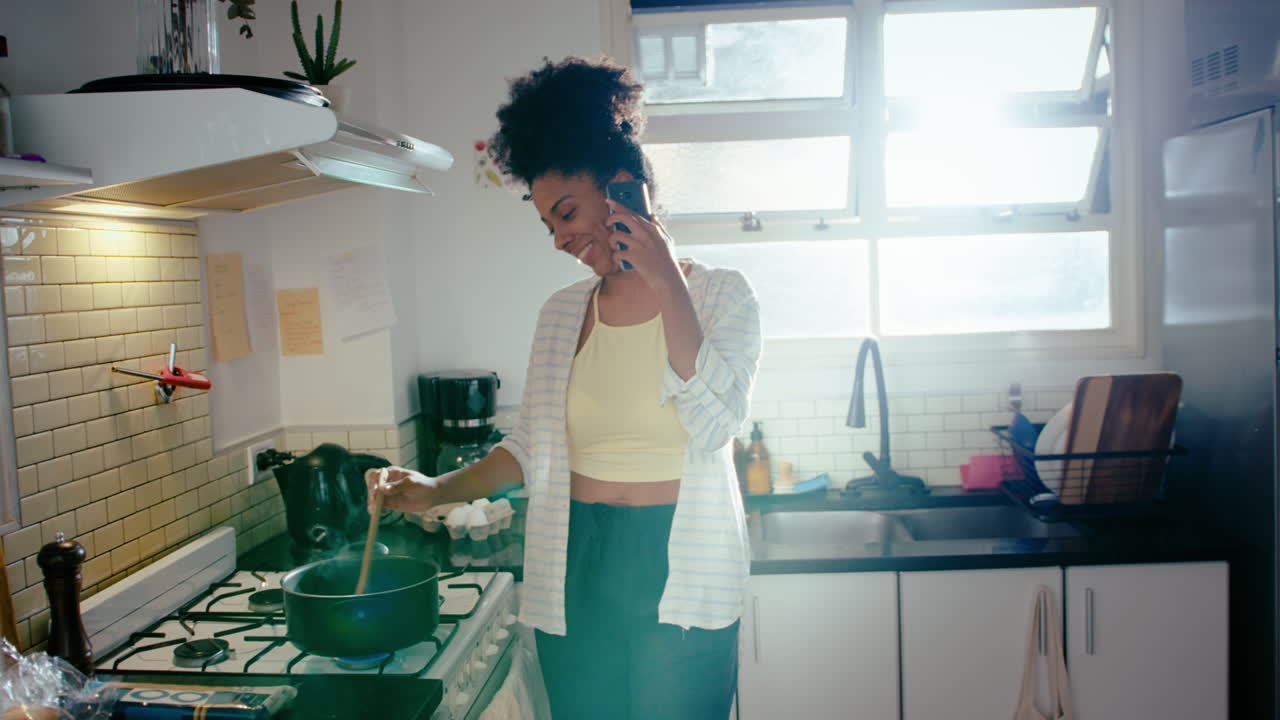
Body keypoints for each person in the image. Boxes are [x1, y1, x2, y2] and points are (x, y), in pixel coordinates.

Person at [368, 55, 761, 720]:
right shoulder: (560, 315)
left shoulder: (722, 296)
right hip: (576, 564)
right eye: (548, 224)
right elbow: (528, 449)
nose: (558, 239)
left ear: (624, 188)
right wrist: (436, 490)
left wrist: (666, 278)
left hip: (684, 567)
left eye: (567, 212)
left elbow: (717, 422)